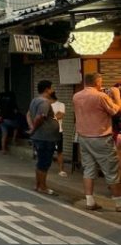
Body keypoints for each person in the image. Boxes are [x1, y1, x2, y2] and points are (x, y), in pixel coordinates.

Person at [72, 72, 121, 212]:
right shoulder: (100, 96)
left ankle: (90, 201)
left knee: (88, 169)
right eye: (101, 81)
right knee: (111, 170)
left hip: (83, 137)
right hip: (101, 138)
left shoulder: (76, 96)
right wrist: (117, 96)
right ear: (97, 82)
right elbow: (115, 111)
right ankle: (119, 203)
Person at [26, 80, 60, 196]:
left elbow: (28, 114)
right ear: (47, 89)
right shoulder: (44, 102)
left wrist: (31, 127)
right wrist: (33, 129)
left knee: (40, 161)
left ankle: (38, 185)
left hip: (40, 136)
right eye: (51, 88)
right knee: (44, 163)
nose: (53, 90)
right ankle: (43, 187)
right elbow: (39, 117)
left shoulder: (34, 100)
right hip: (45, 137)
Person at [49, 91, 68, 177]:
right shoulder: (46, 105)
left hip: (58, 131)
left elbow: (60, 116)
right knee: (47, 150)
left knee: (59, 151)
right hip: (46, 132)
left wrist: (49, 117)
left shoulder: (60, 104)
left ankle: (61, 170)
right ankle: (44, 168)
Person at [0, 89, 20, 154]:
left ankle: (3, 149)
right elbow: (16, 111)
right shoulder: (12, 102)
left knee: (4, 134)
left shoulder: (1, 102)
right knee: (17, 126)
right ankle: (14, 140)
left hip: (1, 120)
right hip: (9, 120)